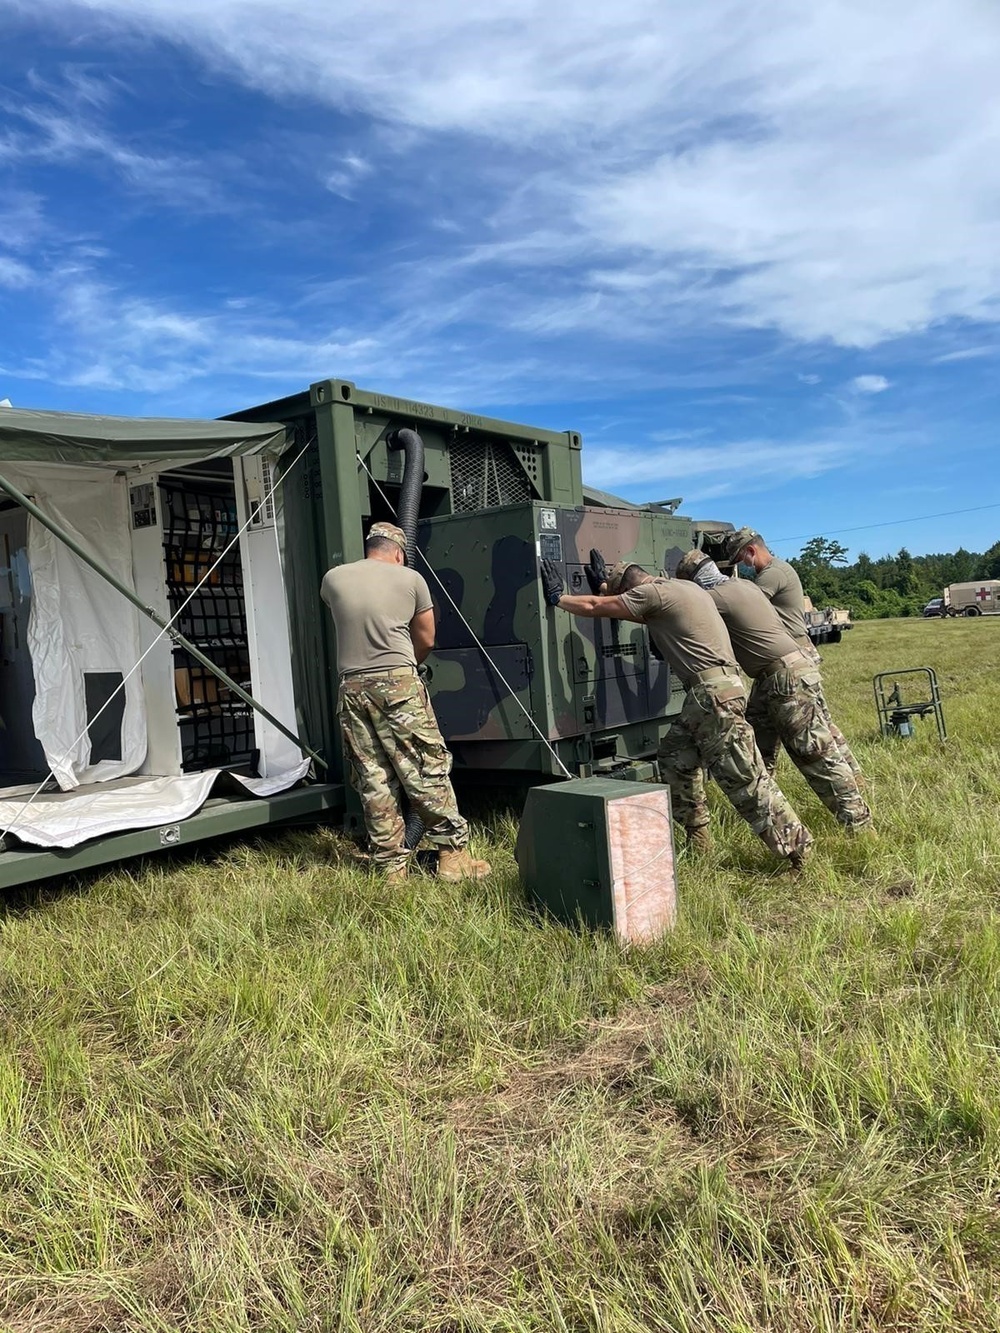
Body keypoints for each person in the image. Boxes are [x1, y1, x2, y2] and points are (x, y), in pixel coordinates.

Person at [539, 555, 812, 869]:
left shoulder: (650, 595)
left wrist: (559, 597)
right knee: (674, 759)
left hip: (712, 697)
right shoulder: (681, 589)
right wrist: (604, 585)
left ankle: (798, 852)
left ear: (630, 588)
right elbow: (635, 608)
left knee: (744, 778)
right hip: (715, 693)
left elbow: (593, 607)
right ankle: (699, 843)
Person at [321, 521, 490, 884]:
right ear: (398, 552)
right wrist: (404, 666)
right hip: (398, 682)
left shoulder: (333, 578)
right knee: (425, 765)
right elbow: (427, 636)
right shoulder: (411, 579)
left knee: (374, 776)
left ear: (370, 547)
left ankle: (391, 870)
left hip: (351, 688)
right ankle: (452, 857)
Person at [676, 550, 871, 832]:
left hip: (784, 678)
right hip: (779, 675)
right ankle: (773, 812)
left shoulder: (717, 597)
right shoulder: (744, 586)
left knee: (813, 754)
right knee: (758, 742)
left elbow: (680, 606)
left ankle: (860, 825)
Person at [725, 527, 863, 783]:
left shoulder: (772, 574)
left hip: (791, 659)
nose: (741, 566)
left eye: (741, 559)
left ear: (751, 551)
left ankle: (852, 780)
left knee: (817, 727)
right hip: (779, 662)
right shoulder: (775, 570)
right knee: (758, 724)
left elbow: (747, 605)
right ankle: (764, 783)